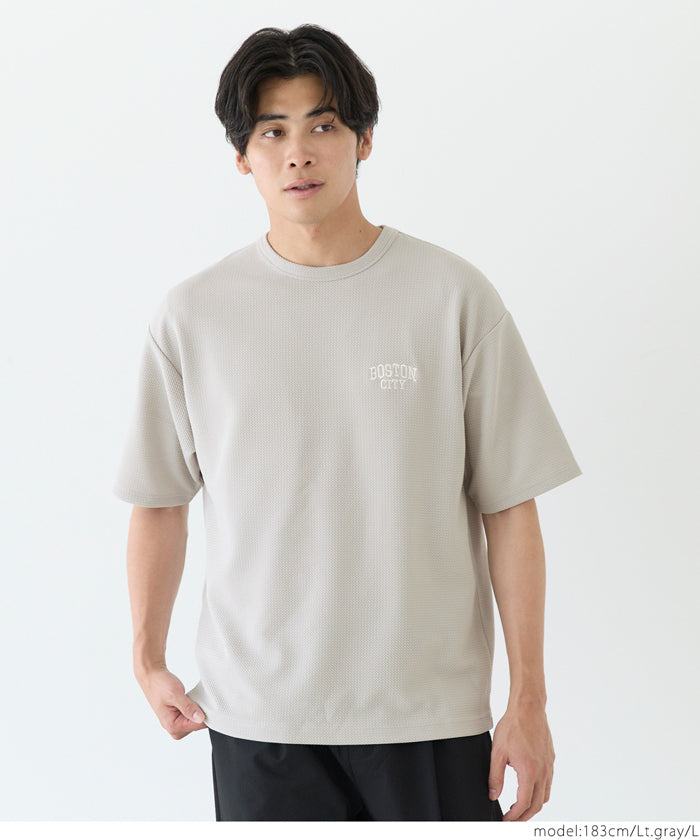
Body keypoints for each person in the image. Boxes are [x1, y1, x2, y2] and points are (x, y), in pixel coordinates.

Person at [113, 24, 582, 822]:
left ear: (364, 140)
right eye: (272, 132)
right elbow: (158, 502)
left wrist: (528, 700)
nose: (299, 153)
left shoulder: (452, 297)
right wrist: (146, 657)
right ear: (242, 155)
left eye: (323, 125)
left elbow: (510, 507)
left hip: (426, 713)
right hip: (258, 717)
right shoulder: (193, 317)